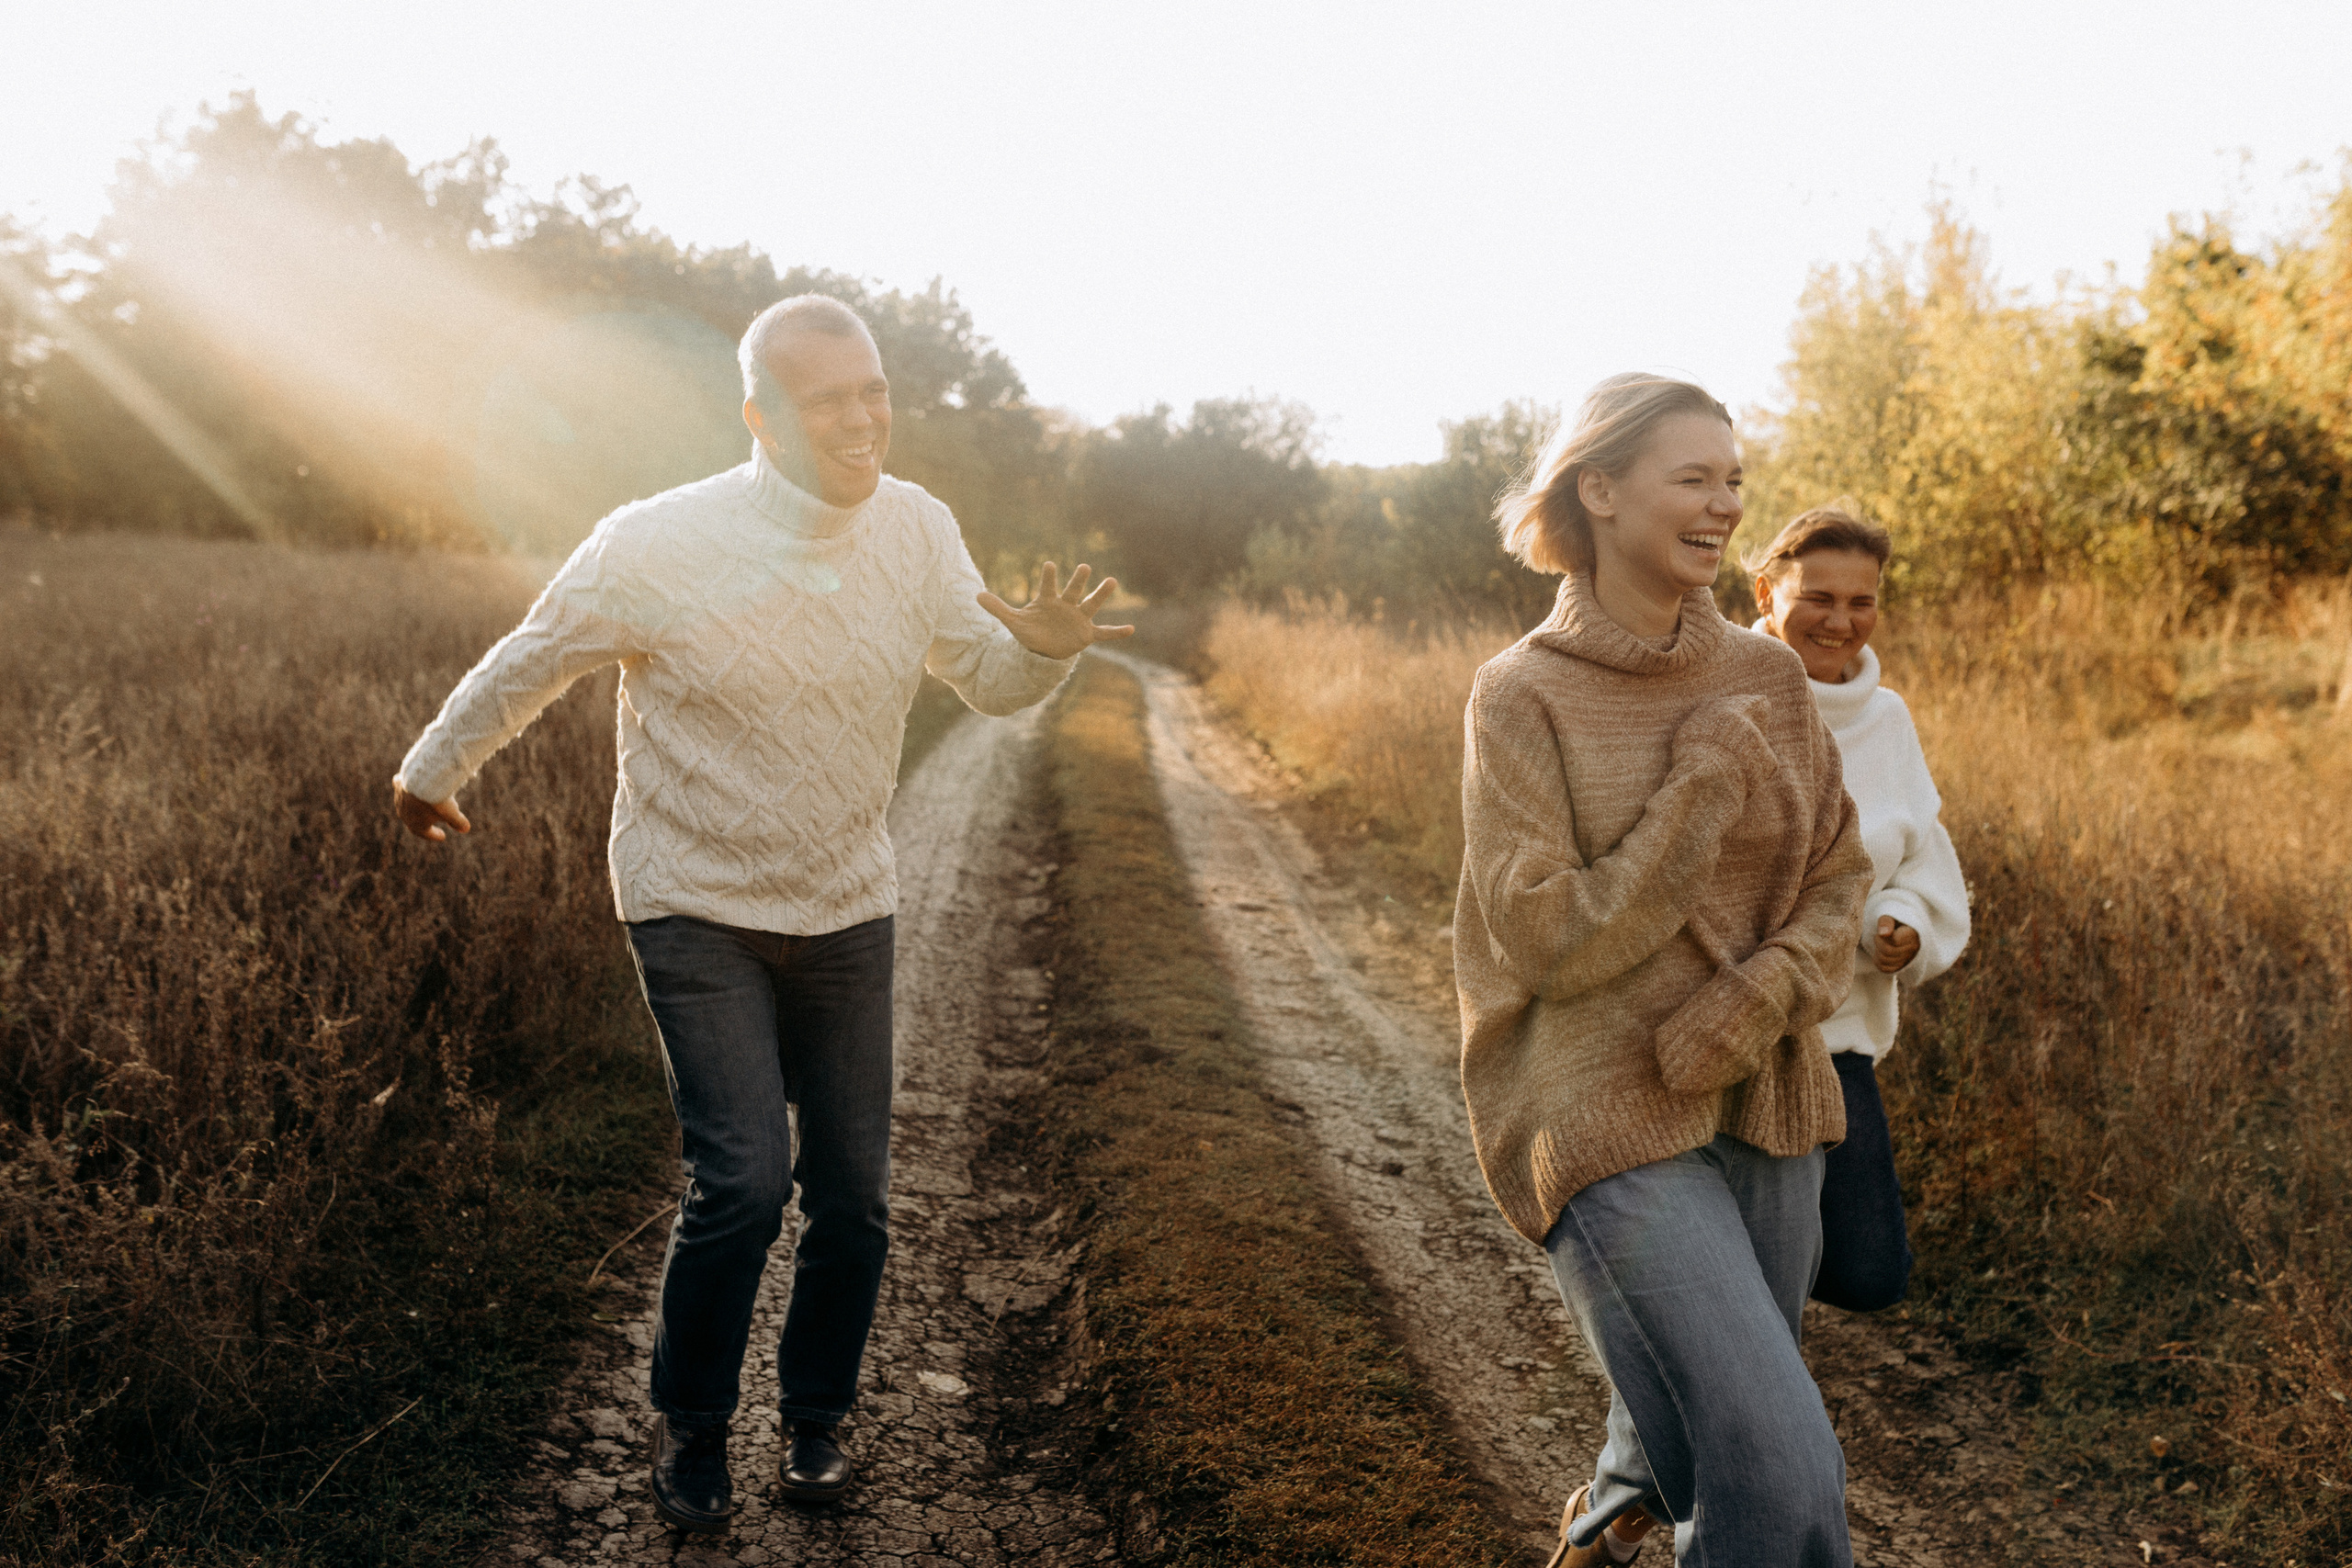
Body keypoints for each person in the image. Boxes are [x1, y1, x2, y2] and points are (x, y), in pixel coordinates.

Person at [390, 294, 1133, 1535]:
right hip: (693, 896)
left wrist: (1047, 650)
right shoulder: (655, 541)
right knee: (743, 1178)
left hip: (844, 901)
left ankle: (816, 1417)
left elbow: (988, 678)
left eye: (873, 389)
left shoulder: (917, 528)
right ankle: (691, 1424)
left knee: (855, 1198)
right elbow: (535, 654)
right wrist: (432, 767)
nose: (863, 417)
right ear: (762, 418)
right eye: (827, 400)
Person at [1454, 373, 1874, 1567]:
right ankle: (1622, 1503)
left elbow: (1841, 875)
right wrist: (1699, 790)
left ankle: (1604, 1517)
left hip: (1765, 1093)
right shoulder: (1523, 693)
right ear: (1598, 490)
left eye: (1733, 479)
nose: (1726, 504)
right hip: (1599, 1099)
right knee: (1780, 1459)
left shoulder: (1768, 676)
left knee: (1716, 1444)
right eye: (1693, 478)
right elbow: (1546, 937)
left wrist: (1749, 1003)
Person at [1745, 506, 1969, 1312]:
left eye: (1860, 601)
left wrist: (1901, 922)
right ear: (1767, 593)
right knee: (1753, 1268)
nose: (1839, 621)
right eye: (1818, 597)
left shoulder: (1888, 718)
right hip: (1730, 1031)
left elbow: (1922, 863)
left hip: (1836, 1036)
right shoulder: (1725, 694)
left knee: (1870, 1272)